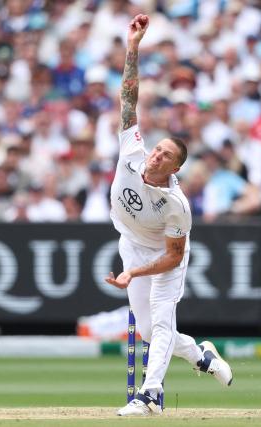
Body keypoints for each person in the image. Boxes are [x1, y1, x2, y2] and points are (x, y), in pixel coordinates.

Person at [104, 15, 233, 417]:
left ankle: (150, 395)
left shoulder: (177, 205)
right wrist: (133, 47)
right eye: (156, 149)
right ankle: (202, 358)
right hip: (132, 242)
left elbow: (174, 257)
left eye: (165, 156)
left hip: (165, 256)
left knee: (161, 323)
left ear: (174, 169)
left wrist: (135, 274)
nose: (155, 156)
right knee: (147, 330)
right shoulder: (131, 150)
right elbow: (129, 97)